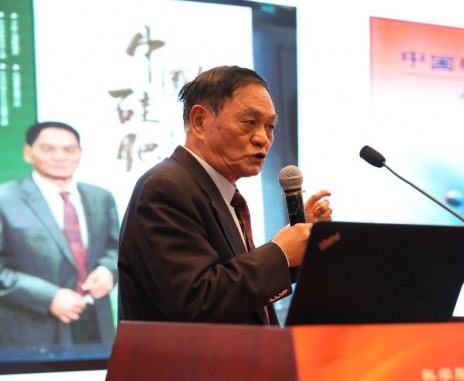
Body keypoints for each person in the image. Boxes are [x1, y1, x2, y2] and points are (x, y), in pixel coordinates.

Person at [117, 65, 332, 326]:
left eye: (270, 126)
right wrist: (280, 253)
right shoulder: (165, 187)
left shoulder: (217, 191)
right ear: (200, 121)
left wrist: (297, 244)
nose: (263, 138)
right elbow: (198, 300)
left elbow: (232, 287)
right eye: (250, 123)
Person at [0, 121, 120, 360]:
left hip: (97, 324)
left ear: (80, 154)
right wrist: (49, 297)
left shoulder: (101, 197)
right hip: (31, 327)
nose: (59, 156)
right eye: (48, 148)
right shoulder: (5, 199)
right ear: (27, 152)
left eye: (69, 149)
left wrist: (108, 270)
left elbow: (116, 249)